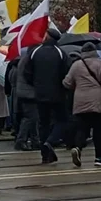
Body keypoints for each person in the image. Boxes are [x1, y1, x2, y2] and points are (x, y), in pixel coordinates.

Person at [64, 42, 101, 168]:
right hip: (98, 101)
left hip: (80, 100)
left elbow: (67, 83)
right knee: (99, 130)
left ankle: (78, 148)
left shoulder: (76, 65)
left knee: (82, 128)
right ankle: (99, 157)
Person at [22, 29, 69, 163]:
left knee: (44, 124)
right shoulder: (61, 53)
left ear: (47, 37)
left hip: (40, 94)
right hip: (57, 94)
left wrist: (37, 85)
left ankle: (45, 155)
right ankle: (51, 141)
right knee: (62, 120)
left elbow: (27, 73)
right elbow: (66, 72)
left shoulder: (35, 52)